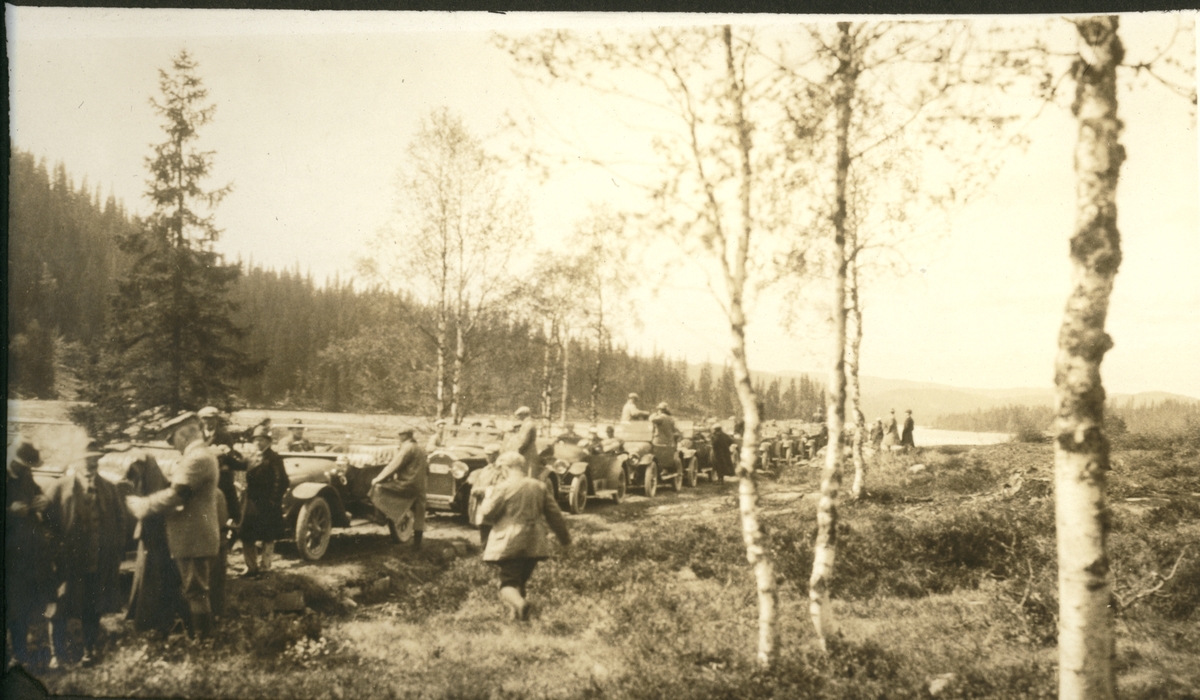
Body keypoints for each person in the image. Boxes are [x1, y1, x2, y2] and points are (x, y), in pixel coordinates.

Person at [126, 412, 222, 641]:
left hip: (193, 536)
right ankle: (197, 636)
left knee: (196, 591)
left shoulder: (197, 458)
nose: (174, 445)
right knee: (192, 589)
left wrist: (144, 505)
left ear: (184, 434)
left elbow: (177, 496)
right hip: (192, 535)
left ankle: (204, 640)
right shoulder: (201, 456)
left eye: (174, 439)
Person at [43, 441, 128, 667]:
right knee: (60, 606)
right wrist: (53, 551)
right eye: (86, 458)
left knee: (93, 606)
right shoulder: (59, 488)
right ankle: (57, 654)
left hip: (97, 559)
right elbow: (44, 524)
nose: (91, 463)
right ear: (76, 461)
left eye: (95, 459)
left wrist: (114, 549)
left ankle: (88, 651)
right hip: (67, 560)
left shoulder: (110, 488)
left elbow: (121, 522)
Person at [478, 452, 571, 621]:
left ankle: (521, 605)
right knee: (520, 581)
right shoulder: (539, 486)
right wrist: (565, 539)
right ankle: (518, 622)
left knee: (507, 585)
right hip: (535, 542)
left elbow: (488, 513)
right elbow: (555, 515)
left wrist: (488, 496)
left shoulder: (503, 487)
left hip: (509, 541)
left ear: (505, 468)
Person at [121, 447, 187, 638]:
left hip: (158, 536)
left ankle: (160, 620)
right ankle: (149, 617)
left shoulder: (156, 484)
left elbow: (154, 508)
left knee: (159, 578)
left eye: (138, 469)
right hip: (149, 537)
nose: (135, 475)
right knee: (151, 576)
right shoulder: (145, 480)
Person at [6, 439, 53, 668]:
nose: (26, 469)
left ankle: (20, 653)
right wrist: (9, 510)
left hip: (23, 552)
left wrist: (43, 500)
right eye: (22, 465)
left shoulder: (24, 473)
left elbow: (38, 495)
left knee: (19, 602)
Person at [240, 426, 289, 577]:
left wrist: (273, 501)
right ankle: (251, 567)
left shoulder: (274, 458)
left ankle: (265, 567)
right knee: (246, 534)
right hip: (252, 502)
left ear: (268, 441)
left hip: (267, 503)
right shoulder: (253, 457)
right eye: (256, 440)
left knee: (268, 535)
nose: (258, 443)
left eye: (261, 440)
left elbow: (282, 481)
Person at [371, 427, 428, 549]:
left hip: (406, 484)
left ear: (405, 436)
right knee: (420, 513)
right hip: (420, 486)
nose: (399, 438)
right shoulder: (421, 448)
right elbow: (427, 469)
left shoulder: (407, 448)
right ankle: (417, 544)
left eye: (400, 435)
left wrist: (378, 479)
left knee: (378, 488)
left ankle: (381, 517)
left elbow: (393, 466)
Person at [198, 406, 247, 529]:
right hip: (201, 473)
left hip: (221, 474)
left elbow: (229, 455)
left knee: (228, 495)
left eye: (212, 419)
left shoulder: (224, 436)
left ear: (216, 420)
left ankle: (233, 521)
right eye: (206, 419)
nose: (209, 422)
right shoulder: (198, 437)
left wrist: (222, 456)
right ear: (201, 421)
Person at [468, 443, 505, 549]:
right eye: (486, 454)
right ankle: (483, 551)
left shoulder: (501, 470)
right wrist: (475, 489)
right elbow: (478, 482)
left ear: (496, 455)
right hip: (482, 503)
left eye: (489, 454)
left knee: (492, 530)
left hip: (493, 504)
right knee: (483, 527)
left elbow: (500, 488)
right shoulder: (486, 469)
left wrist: (482, 490)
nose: (487, 457)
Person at [506, 407, 541, 479]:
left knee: (527, 474)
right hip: (527, 451)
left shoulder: (528, 425)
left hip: (527, 453)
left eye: (519, 415)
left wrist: (515, 451)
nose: (518, 417)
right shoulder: (527, 424)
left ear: (524, 415)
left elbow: (523, 442)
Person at [649, 402, 681, 479]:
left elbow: (651, 419)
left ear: (660, 410)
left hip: (659, 442)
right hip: (669, 443)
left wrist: (653, 414)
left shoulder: (661, 418)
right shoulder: (671, 419)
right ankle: (665, 470)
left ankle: (657, 470)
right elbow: (675, 430)